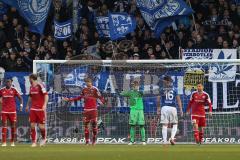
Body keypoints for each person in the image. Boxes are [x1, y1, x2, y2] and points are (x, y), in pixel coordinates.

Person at [63, 77, 105, 145]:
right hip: (86, 110)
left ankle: (94, 140)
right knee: (86, 125)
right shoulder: (84, 90)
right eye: (86, 82)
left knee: (94, 125)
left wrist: (103, 102)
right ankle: (87, 141)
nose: (87, 83)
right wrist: (69, 99)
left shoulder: (95, 89)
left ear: (91, 82)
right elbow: (79, 97)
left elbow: (100, 97)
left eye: (88, 82)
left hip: (93, 109)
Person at [157, 76, 183, 145]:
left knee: (164, 125)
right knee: (175, 124)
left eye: (164, 80)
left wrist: (158, 108)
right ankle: (172, 138)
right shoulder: (175, 89)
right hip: (173, 108)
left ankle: (165, 142)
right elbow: (178, 100)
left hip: (164, 107)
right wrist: (181, 109)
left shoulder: (162, 89)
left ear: (166, 81)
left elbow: (158, 99)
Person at [26, 74, 49, 147]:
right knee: (32, 125)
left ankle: (44, 138)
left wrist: (45, 105)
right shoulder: (31, 87)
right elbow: (30, 97)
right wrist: (27, 105)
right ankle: (34, 142)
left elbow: (46, 95)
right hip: (33, 109)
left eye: (29, 79)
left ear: (32, 78)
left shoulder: (40, 85)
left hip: (40, 109)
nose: (29, 80)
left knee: (41, 126)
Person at [120, 81, 146, 145]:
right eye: (134, 85)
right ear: (132, 86)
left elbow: (142, 93)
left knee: (141, 125)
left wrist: (138, 89)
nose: (135, 87)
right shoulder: (130, 92)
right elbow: (122, 94)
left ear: (138, 86)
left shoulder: (140, 92)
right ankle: (132, 141)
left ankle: (143, 140)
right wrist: (120, 91)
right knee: (132, 125)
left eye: (136, 85)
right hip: (133, 110)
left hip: (140, 110)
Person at [0, 78, 23, 147]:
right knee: (4, 125)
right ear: (5, 83)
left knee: (13, 126)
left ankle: (12, 142)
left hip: (12, 111)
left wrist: (21, 105)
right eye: (7, 82)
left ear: (11, 82)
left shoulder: (14, 90)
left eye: (9, 82)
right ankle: (4, 142)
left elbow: (20, 98)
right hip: (4, 111)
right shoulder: (1, 90)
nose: (8, 83)